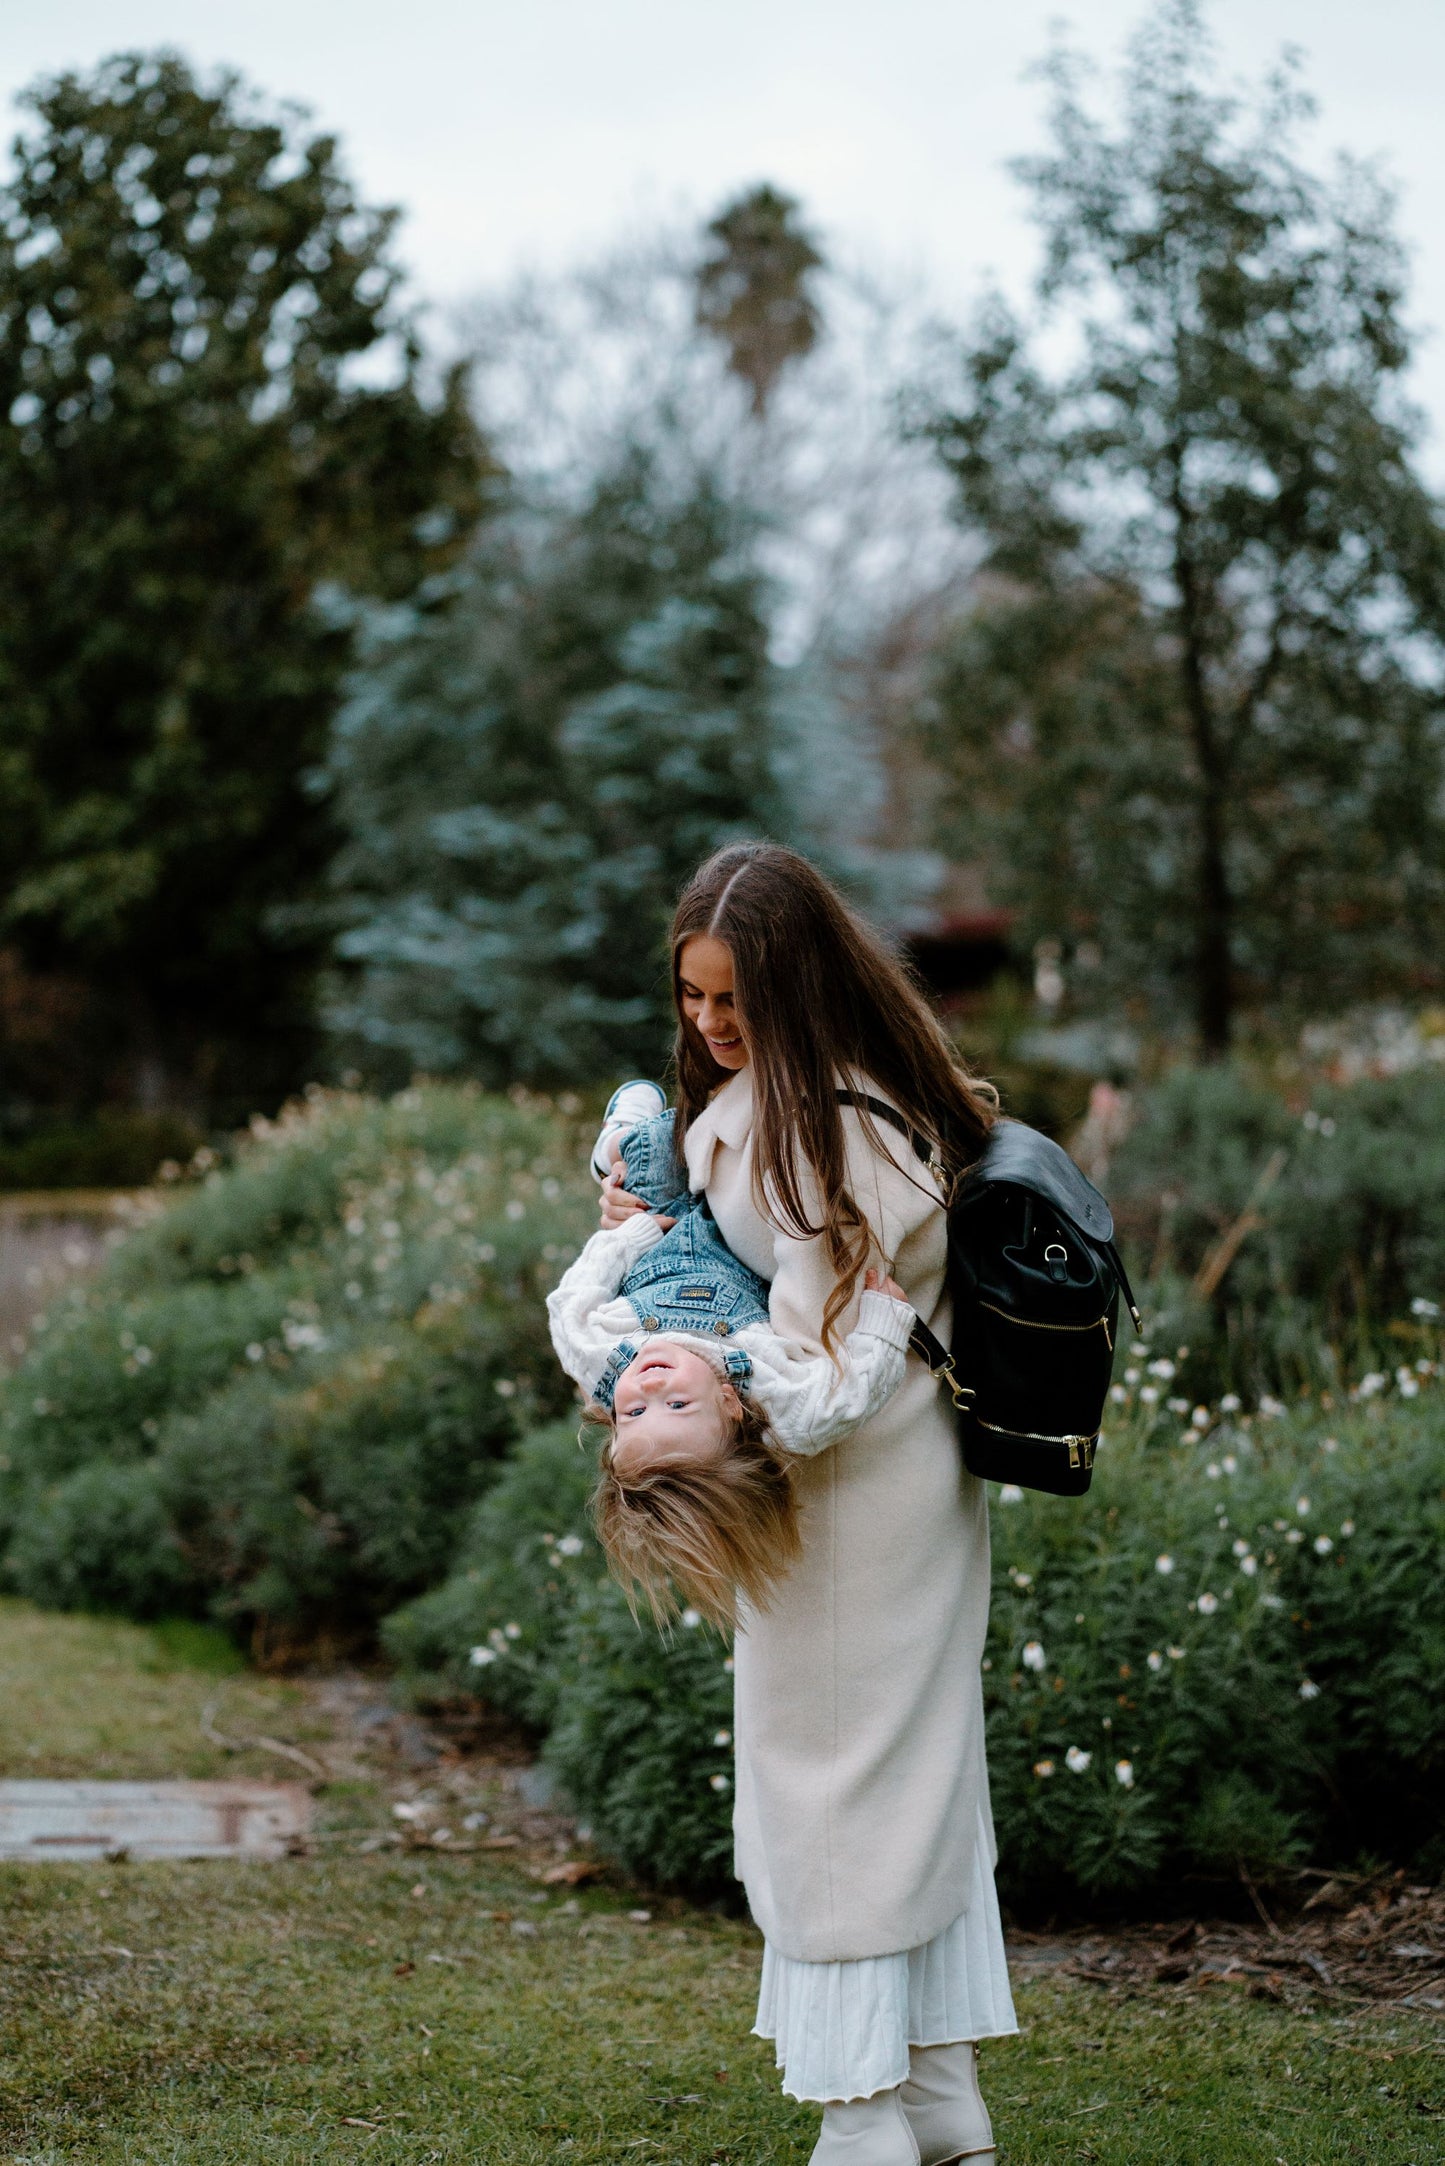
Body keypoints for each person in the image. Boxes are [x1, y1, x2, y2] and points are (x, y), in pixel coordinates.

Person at [600, 842, 1016, 2166]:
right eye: (692, 997)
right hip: (904, 1497)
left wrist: (668, 1378)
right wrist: (646, 1226)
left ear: (795, 982)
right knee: (913, 1777)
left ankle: (861, 2117)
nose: (710, 1023)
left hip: (842, 1504)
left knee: (830, 1797)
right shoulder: (855, 1096)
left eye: (733, 998)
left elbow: (808, 1374)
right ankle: (938, 2101)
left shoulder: (811, 1127)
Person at [548, 1086, 914, 1628]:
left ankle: (613, 1146)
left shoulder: (601, 1361)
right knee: (737, 1150)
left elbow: (570, 1303)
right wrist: (883, 1327)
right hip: (744, 1240)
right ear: (729, 1404)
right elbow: (847, 1399)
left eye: (632, 1414)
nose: (647, 1389)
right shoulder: (771, 1397)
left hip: (661, 1225)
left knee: (654, 1152)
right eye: (676, 1405)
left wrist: (629, 1237)